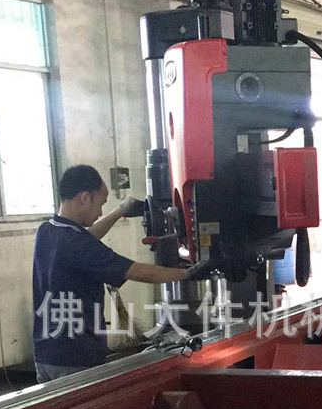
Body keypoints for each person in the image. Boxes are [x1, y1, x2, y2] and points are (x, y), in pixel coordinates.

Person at [33, 164, 212, 383]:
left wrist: (120, 212)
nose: (100, 212)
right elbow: (137, 271)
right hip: (76, 356)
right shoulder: (79, 245)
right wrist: (188, 273)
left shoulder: (47, 230)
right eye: (101, 204)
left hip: (45, 354)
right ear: (84, 198)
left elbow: (85, 238)